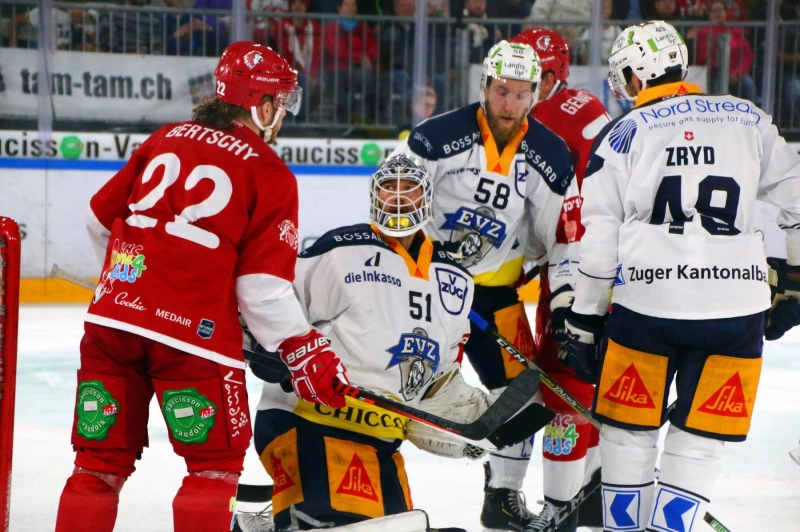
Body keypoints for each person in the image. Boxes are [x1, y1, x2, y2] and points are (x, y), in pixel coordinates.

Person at [54, 41, 347, 532]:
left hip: (112, 325)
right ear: (263, 105)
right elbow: (260, 286)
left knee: (96, 468)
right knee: (212, 471)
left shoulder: (165, 137)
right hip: (193, 340)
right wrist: (303, 347)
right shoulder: (269, 171)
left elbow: (97, 221)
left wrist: (135, 281)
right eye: (281, 103)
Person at [566, 20, 800, 532]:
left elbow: (600, 240)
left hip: (648, 308)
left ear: (633, 76)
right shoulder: (748, 118)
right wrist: (797, 278)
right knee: (702, 440)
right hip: (736, 311)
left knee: (628, 435)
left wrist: (582, 320)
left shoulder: (624, 131)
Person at [392, 40, 582, 531]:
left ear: (536, 94)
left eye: (522, 94)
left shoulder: (550, 153)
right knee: (387, 387)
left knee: (523, 398)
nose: (510, 104)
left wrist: (564, 308)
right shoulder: (435, 136)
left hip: (494, 297)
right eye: (502, 91)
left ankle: (501, 497)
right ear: (484, 86)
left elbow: (561, 238)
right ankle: (370, 491)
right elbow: (393, 208)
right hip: (425, 289)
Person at [250, 154, 493, 530]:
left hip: (381, 440)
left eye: (408, 188)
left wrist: (466, 428)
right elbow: (272, 304)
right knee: (327, 524)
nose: (397, 198)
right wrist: (269, 352)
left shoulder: (456, 278)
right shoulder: (340, 250)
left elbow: (439, 376)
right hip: (307, 422)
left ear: (426, 197)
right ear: (373, 196)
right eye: (388, 188)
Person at [510, 27, 610, 532]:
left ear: (549, 75)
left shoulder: (535, 119)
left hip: (574, 265)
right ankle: (590, 493)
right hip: (619, 263)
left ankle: (558, 506)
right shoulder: (589, 104)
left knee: (562, 387)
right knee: (593, 385)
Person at [694, 0, 756, 101]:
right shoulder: (704, 32)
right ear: (709, 15)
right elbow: (703, 57)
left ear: (726, 13)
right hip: (714, 73)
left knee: (748, 84)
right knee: (714, 86)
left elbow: (747, 56)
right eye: (714, 11)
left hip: (736, 74)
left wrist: (737, 73)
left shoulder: (736, 31)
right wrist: (724, 72)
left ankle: (754, 115)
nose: (717, 13)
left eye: (720, 10)